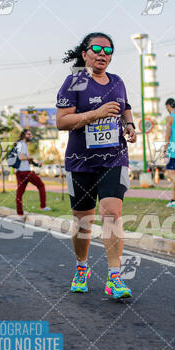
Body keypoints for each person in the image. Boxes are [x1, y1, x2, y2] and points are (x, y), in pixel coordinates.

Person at [56, 32, 137, 300]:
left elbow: (125, 107)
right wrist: (96, 114)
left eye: (108, 50)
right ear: (85, 54)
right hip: (80, 162)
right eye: (97, 49)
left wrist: (129, 125)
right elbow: (62, 121)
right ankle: (82, 267)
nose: (103, 54)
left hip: (114, 158)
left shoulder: (117, 82)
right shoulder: (75, 81)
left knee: (112, 212)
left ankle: (114, 277)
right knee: (83, 223)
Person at [15, 129, 51, 217]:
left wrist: (36, 163)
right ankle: (43, 206)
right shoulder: (22, 144)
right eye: (28, 134)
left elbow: (25, 158)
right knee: (41, 185)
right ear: (24, 135)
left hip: (19, 172)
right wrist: (30, 158)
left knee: (19, 194)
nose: (30, 136)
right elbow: (21, 157)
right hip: (25, 172)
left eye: (30, 134)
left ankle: (20, 214)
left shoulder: (20, 144)